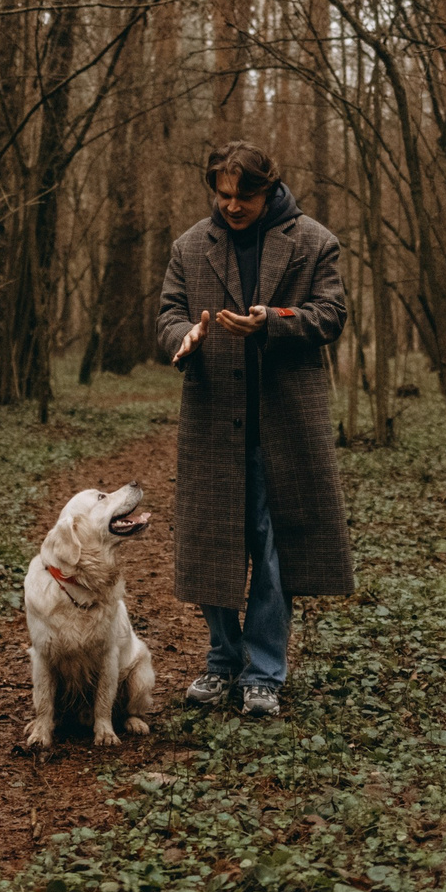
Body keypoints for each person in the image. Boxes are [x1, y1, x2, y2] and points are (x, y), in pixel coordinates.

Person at [157, 142, 355, 717]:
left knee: (273, 546)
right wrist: (183, 339)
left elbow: (331, 314)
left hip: (285, 425)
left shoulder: (314, 241)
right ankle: (223, 661)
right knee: (212, 542)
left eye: (245, 195)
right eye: (222, 194)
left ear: (270, 190)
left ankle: (264, 671)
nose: (232, 205)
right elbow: (169, 314)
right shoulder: (190, 246)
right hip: (214, 419)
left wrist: (272, 320)